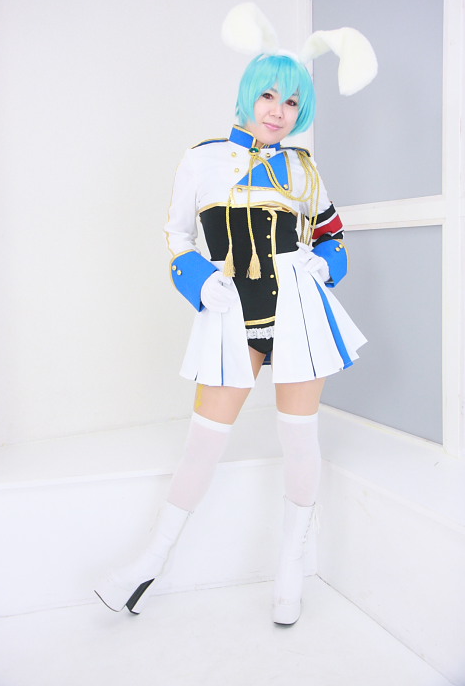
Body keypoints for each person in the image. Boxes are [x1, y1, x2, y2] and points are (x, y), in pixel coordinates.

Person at [95, 50, 366, 625]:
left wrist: (325, 264)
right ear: (248, 96)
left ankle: (290, 567)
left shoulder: (304, 168)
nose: (278, 111)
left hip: (298, 313)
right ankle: (150, 561)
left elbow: (332, 235)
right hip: (231, 315)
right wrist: (198, 281)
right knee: (204, 443)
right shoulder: (203, 159)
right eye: (268, 95)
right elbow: (178, 236)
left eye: (291, 101)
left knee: (300, 440)